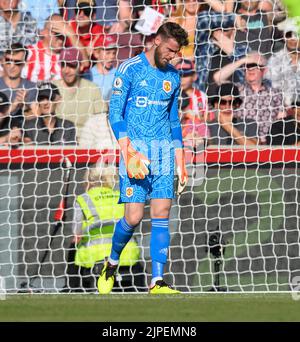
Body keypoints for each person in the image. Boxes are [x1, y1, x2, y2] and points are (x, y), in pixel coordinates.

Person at [97, 22, 189, 295]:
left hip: (163, 154)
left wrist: (181, 161)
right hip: (134, 153)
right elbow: (115, 114)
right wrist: (127, 152)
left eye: (177, 53)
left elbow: (174, 121)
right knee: (134, 217)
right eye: (171, 50)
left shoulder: (172, 76)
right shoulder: (129, 69)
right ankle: (111, 263)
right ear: (157, 41)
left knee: (161, 214)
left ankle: (157, 281)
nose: (173, 57)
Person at [65, 165, 146, 292]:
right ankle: (141, 290)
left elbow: (77, 234)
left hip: (94, 256)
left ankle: (72, 289)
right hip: (126, 254)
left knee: (73, 248)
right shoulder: (121, 196)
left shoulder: (84, 199)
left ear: (88, 181)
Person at [213, 53, 284, 144]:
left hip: (267, 144)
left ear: (264, 70)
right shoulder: (236, 89)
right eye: (247, 66)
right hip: (242, 140)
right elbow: (217, 77)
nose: (250, 69)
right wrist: (242, 61)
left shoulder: (275, 93)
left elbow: (281, 118)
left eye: (255, 66)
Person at [53, 47, 107, 140]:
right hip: (59, 139)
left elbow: (102, 119)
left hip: (87, 139)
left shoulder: (92, 88)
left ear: (81, 66)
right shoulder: (52, 88)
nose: (66, 70)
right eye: (63, 65)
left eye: (71, 66)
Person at [265, 17, 300, 106]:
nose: (293, 38)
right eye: (289, 34)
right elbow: (271, 90)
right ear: (284, 37)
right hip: (282, 111)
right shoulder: (274, 60)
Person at [22, 14, 66, 83]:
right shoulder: (28, 53)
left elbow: (85, 64)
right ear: (44, 32)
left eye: (64, 33)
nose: (61, 38)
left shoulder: (69, 56)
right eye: (57, 33)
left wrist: (72, 35)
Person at [0, 43, 38, 120]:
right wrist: (12, 107)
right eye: (8, 61)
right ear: (3, 61)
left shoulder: (31, 87)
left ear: (24, 64)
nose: (12, 66)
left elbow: (36, 118)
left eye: (17, 62)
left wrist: (25, 104)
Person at [87, 34, 118, 102]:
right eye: (108, 53)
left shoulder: (119, 75)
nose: (112, 56)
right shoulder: (88, 75)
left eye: (114, 53)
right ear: (96, 53)